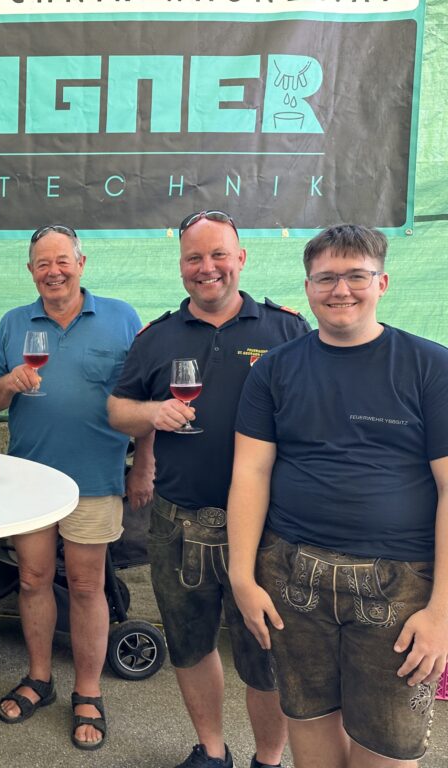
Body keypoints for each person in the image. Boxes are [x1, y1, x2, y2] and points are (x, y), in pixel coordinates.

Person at [228, 224, 448, 768]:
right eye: (326, 278)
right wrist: (241, 576)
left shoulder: (431, 367)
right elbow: (250, 474)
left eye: (356, 276)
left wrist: (441, 611)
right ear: (307, 287)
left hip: (400, 588)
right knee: (309, 729)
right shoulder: (273, 370)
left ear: (383, 282)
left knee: (388, 750)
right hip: (292, 578)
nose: (340, 290)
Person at [109, 210, 307, 768]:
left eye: (218, 254)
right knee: (190, 644)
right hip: (179, 520)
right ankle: (212, 750)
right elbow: (118, 410)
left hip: (270, 527)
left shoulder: (286, 329)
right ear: (180, 266)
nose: (207, 268)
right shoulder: (158, 337)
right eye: (194, 258)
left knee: (265, 653)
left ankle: (268, 759)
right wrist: (151, 412)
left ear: (241, 258)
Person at [0, 224, 150, 752]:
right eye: (41, 263)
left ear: (81, 262)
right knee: (31, 580)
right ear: (30, 271)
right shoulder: (13, 323)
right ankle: (39, 678)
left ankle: (89, 691)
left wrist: (144, 465)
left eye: (62, 261)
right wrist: (10, 382)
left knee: (86, 585)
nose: (53, 271)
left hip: (96, 478)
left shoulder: (122, 318)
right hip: (30, 481)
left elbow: (144, 401)